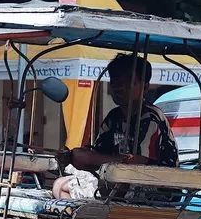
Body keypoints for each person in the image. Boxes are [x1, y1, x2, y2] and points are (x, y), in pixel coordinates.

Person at [52, 54, 178, 199]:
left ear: (145, 87)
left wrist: (90, 159)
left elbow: (138, 163)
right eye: (115, 81)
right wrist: (73, 156)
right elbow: (99, 150)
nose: (119, 87)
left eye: (127, 82)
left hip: (156, 187)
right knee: (59, 185)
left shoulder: (151, 117)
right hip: (118, 181)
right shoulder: (114, 117)